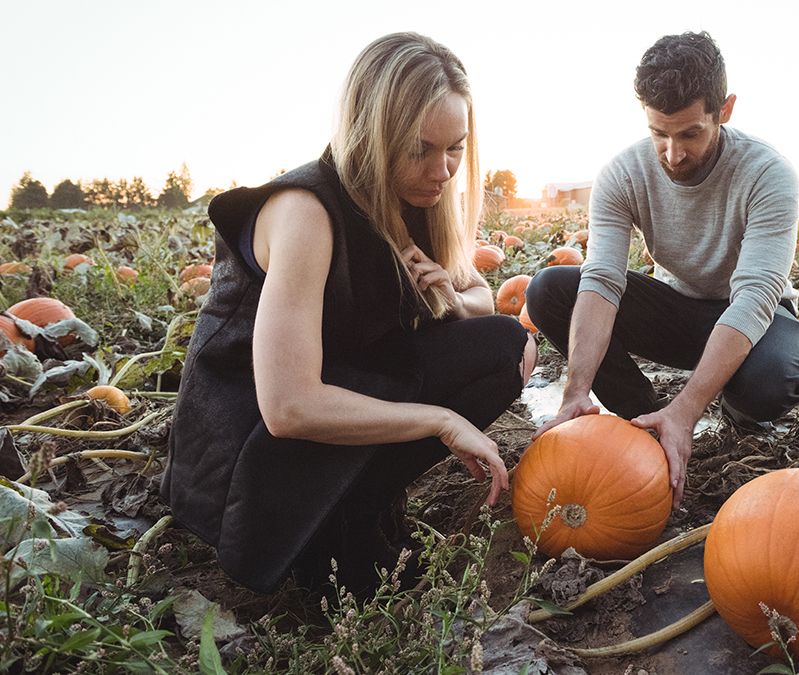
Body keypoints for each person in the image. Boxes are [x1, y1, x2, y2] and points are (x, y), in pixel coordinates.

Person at [161, 32, 537, 596]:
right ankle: (321, 535)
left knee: (508, 347)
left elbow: (480, 295)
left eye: (454, 147)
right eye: (421, 150)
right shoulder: (305, 212)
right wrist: (440, 420)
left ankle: (356, 509)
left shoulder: (414, 199)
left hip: (339, 396)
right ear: (374, 134)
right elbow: (288, 406)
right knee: (486, 355)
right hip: (252, 452)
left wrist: (454, 300)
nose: (443, 169)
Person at [525, 31, 799, 510]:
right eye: (660, 133)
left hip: (752, 314)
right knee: (551, 289)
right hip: (677, 310)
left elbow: (757, 294)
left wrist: (691, 406)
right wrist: (575, 390)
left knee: (771, 382)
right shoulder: (623, 174)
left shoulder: (767, 173)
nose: (673, 154)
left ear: (725, 109)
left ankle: (717, 403)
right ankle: (649, 420)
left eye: (690, 133)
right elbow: (602, 282)